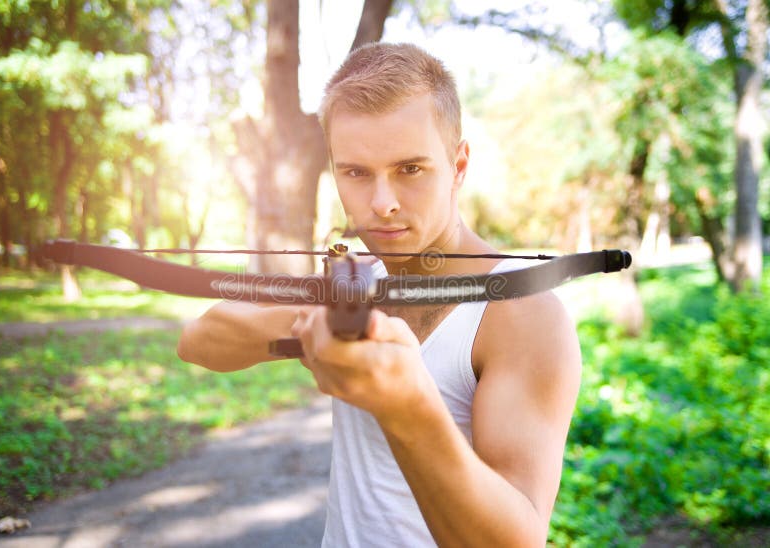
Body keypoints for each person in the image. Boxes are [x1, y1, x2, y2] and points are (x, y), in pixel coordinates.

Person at [177, 42, 581, 547]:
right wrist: (315, 319)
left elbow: (515, 542)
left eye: (410, 169)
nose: (382, 203)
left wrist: (406, 403)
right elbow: (198, 342)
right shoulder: (355, 279)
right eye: (356, 172)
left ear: (458, 166)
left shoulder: (522, 312)